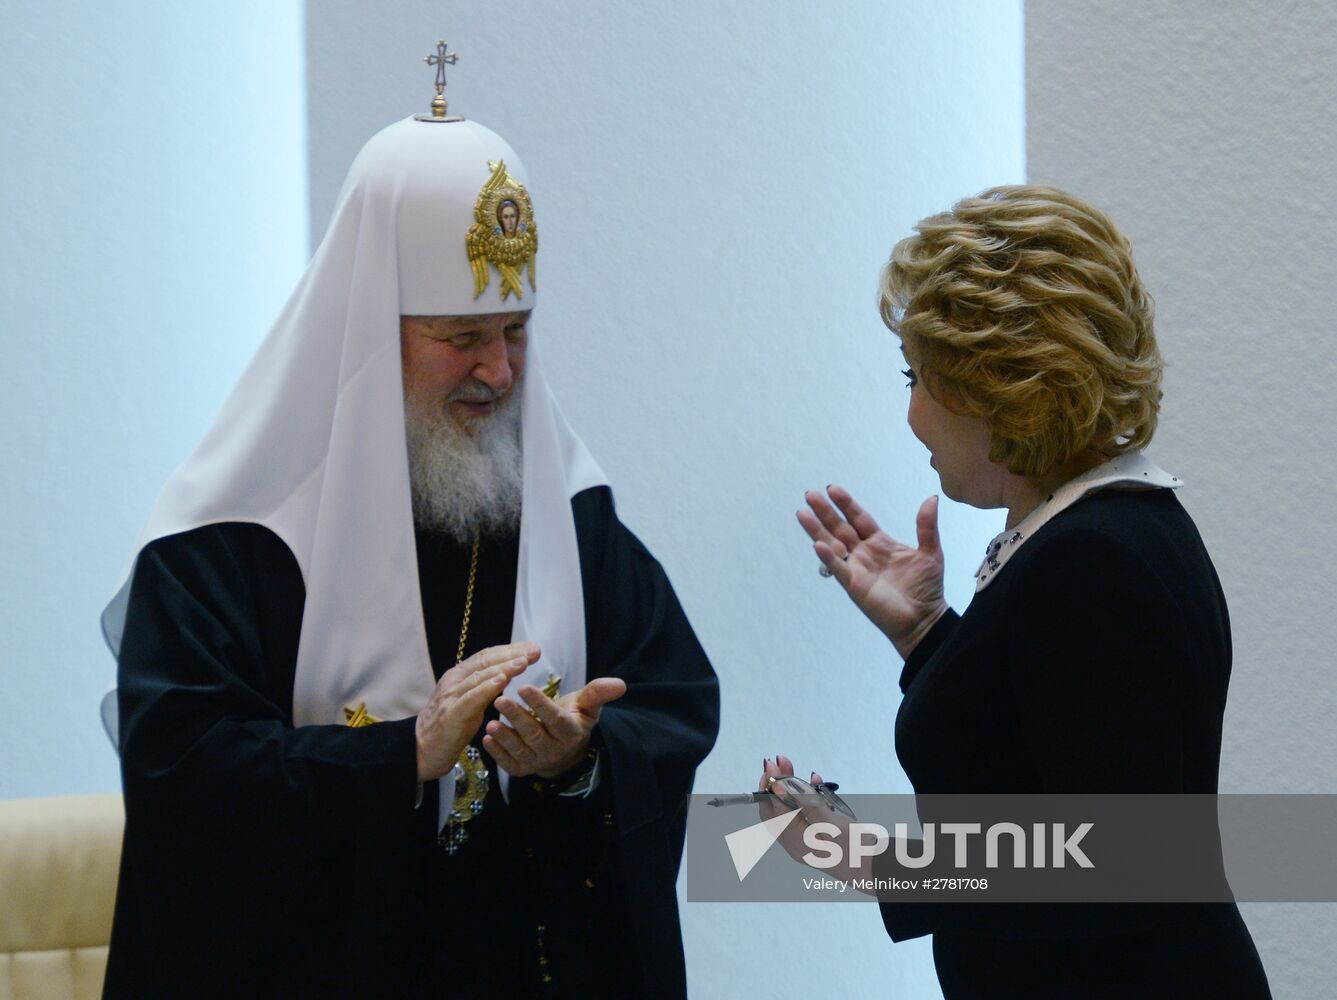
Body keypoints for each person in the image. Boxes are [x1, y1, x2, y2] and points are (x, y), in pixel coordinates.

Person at [100, 92, 718, 998]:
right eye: (460, 337)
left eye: (515, 332)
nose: (498, 372)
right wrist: (400, 757)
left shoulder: (563, 506)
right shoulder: (230, 536)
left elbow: (673, 701)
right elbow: (182, 774)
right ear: (365, 328)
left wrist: (577, 758)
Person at [767, 186, 1271, 997]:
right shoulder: (1112, 529)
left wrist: (863, 860)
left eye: (917, 377)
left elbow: (1104, 865)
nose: (910, 414)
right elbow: (1037, 754)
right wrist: (925, 632)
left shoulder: (1092, 561)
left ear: (999, 385)